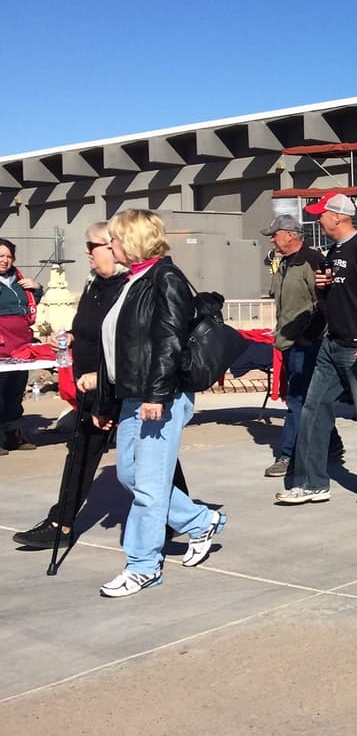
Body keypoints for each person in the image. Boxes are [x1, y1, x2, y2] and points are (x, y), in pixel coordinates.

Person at [95, 210, 225, 596]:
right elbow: (121, 346)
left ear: (131, 240)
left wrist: (157, 395)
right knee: (129, 476)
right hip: (134, 396)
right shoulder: (133, 279)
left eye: (114, 239)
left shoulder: (163, 278)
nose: (109, 246)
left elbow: (169, 341)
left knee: (149, 487)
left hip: (158, 397)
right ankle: (201, 521)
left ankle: (143, 565)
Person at [12, 224, 138, 548]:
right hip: (89, 387)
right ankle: (61, 523)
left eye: (91, 245)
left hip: (117, 386)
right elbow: (87, 329)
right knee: (81, 452)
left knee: (143, 457)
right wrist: (66, 337)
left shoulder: (129, 288)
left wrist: (105, 387)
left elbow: (129, 345)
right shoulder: (95, 284)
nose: (86, 252)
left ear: (112, 247)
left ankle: (188, 517)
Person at [275, 193, 357, 505]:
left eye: (321, 214)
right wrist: (324, 289)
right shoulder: (334, 250)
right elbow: (332, 303)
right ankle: (314, 483)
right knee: (313, 411)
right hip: (331, 344)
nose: (318, 219)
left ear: (338, 216)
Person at [261, 214, 343, 478]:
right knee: (311, 400)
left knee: (297, 401)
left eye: (275, 234)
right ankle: (332, 443)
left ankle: (289, 454)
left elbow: (324, 304)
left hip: (306, 344)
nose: (272, 239)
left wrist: (308, 336)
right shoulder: (284, 264)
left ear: (289, 235)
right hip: (289, 341)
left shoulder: (312, 262)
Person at [0, 237, 43, 453]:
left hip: (20, 345)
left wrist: (37, 287)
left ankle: (13, 434)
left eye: (8, 256)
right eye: (1, 256)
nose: (5, 260)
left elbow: (32, 302)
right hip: (1, 344)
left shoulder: (18, 280)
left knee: (15, 389)